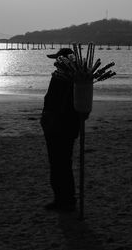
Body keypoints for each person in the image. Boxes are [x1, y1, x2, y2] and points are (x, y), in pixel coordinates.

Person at [41, 48, 80, 212]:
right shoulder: (66, 78)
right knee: (60, 164)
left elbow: (63, 106)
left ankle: (66, 200)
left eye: (58, 60)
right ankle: (62, 198)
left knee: (60, 164)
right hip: (56, 126)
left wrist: (50, 121)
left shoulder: (68, 80)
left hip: (60, 127)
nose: (55, 63)